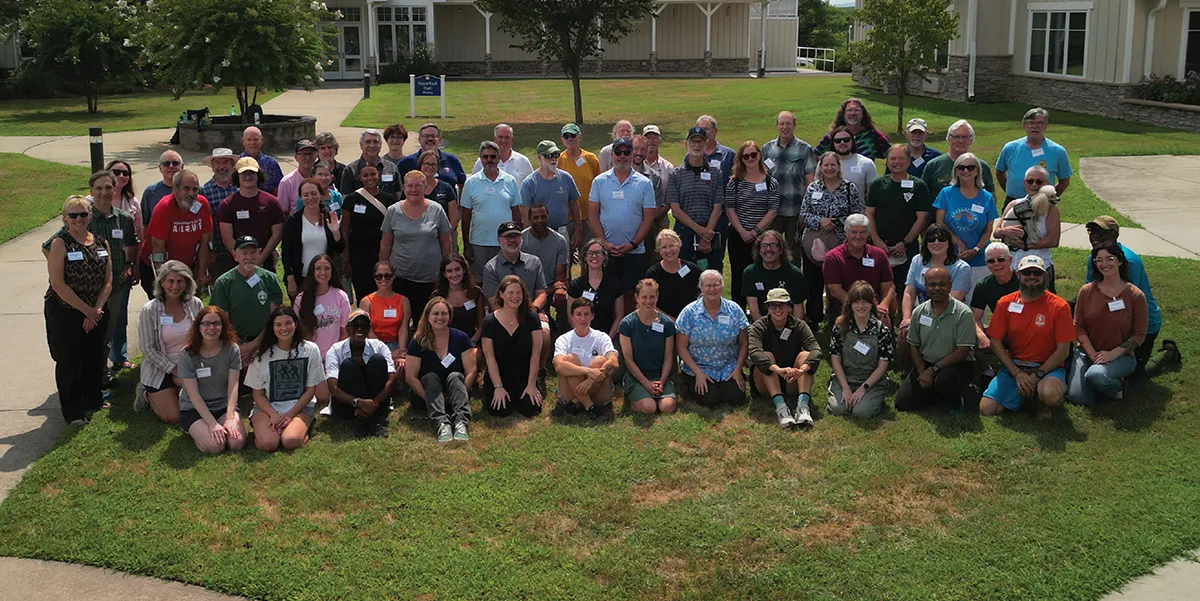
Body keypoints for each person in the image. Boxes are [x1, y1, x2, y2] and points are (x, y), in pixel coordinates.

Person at [43, 172, 140, 376]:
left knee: (107, 332)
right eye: (99, 188)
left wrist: (129, 264)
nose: (104, 192)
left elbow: (131, 244)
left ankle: (100, 375)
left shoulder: (124, 219)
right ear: (92, 191)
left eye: (108, 187)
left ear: (115, 189)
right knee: (84, 339)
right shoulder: (82, 217)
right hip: (83, 293)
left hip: (112, 288)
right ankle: (94, 377)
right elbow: (48, 247)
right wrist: (67, 270)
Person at [44, 196, 113, 426]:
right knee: (69, 361)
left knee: (94, 356)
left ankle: (93, 399)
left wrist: (97, 310)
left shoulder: (102, 243)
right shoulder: (59, 243)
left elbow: (108, 281)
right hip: (65, 311)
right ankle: (73, 412)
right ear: (65, 218)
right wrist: (86, 311)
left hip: (97, 310)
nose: (79, 219)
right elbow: (58, 284)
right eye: (73, 215)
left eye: (83, 214)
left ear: (90, 216)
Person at [979, 255, 1073, 419]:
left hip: (1047, 367)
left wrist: (1038, 375)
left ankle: (1041, 399)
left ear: (1045, 276)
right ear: (1018, 275)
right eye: (1026, 272)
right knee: (986, 409)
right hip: (1016, 366)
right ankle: (1026, 393)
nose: (1031, 277)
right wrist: (1017, 373)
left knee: (1050, 394)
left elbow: (1064, 350)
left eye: (1037, 273)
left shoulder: (1060, 306)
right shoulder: (1005, 303)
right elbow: (994, 341)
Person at [1084, 216, 1170, 377]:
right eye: (1091, 231)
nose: (1094, 236)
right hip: (1112, 320)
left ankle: (1167, 354)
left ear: (1115, 235)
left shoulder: (1130, 262)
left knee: (1135, 376)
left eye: (1100, 232)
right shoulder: (1094, 258)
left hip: (1143, 324)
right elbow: (1089, 294)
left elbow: (1129, 305)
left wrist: (1117, 349)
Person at [1068, 243, 1149, 405]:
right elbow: (1078, 326)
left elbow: (1140, 334)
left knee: (1095, 375)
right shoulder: (1086, 291)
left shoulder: (1135, 295)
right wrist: (1092, 355)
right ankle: (1098, 383)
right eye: (1099, 260)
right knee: (1077, 397)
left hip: (1121, 356)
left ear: (1119, 261)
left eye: (1110, 259)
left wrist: (1113, 354)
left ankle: (1117, 386)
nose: (1104, 265)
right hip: (1087, 353)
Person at [588, 135, 657, 310]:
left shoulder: (644, 183)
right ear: (612, 155)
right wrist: (604, 244)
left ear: (633, 154)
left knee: (632, 296)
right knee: (606, 295)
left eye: (627, 152)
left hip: (635, 251)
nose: (622, 156)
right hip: (606, 252)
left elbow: (648, 218)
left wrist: (633, 244)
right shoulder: (599, 181)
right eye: (618, 152)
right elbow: (593, 215)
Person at [895, 268, 976, 413]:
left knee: (945, 379)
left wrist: (932, 371)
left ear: (950, 286)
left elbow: (962, 351)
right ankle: (939, 393)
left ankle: (956, 403)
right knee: (903, 403)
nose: (937, 288)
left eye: (942, 284)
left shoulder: (963, 313)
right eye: (932, 285)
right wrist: (921, 372)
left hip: (957, 365)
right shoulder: (919, 312)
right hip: (927, 363)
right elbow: (913, 345)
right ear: (925, 287)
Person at [798, 151, 865, 325]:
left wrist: (837, 222)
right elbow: (803, 214)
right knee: (813, 281)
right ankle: (813, 317)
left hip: (841, 243)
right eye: (825, 165)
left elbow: (858, 214)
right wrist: (820, 221)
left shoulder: (849, 188)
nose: (829, 168)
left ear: (838, 167)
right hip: (813, 242)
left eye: (832, 165)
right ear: (820, 167)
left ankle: (837, 318)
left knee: (837, 280)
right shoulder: (813, 187)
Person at [245, 306, 325, 451]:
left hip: (299, 407)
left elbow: (310, 391)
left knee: (290, 441)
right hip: (267, 408)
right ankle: (265, 433)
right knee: (269, 444)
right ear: (272, 328)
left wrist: (290, 415)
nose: (284, 328)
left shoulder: (311, 350)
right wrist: (273, 414)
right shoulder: (260, 355)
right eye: (278, 324)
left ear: (295, 323)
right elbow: (257, 394)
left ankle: (300, 429)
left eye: (288, 323)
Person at [134, 259, 202, 423]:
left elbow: (203, 337)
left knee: (205, 403)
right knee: (174, 417)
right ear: (162, 282)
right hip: (161, 368)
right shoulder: (150, 310)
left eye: (180, 281)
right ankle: (146, 393)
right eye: (170, 281)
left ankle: (181, 389)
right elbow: (148, 349)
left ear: (187, 283)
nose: (175, 286)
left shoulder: (195, 304)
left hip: (190, 364)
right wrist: (173, 369)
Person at [380, 170, 451, 324]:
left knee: (426, 321)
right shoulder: (393, 211)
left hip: (430, 278)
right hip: (400, 277)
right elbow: (386, 244)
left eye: (418, 186)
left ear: (425, 187)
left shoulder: (437, 209)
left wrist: (445, 271)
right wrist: (384, 271)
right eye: (410, 186)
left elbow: (446, 243)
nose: (414, 190)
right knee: (399, 321)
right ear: (404, 188)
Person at [176, 306, 247, 453]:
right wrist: (212, 424)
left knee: (236, 443)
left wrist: (229, 417)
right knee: (215, 446)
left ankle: (216, 426)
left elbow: (233, 386)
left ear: (223, 326)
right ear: (199, 327)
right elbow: (194, 395)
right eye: (206, 323)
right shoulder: (187, 354)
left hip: (223, 405)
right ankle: (195, 431)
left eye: (216, 323)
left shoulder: (232, 349)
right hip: (194, 408)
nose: (211, 328)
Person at [748, 288, 821, 428]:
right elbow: (754, 352)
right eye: (773, 305)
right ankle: (781, 409)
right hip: (765, 381)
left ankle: (803, 407)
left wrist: (801, 370)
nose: (777, 309)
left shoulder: (800, 325)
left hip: (791, 379)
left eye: (781, 305)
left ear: (789, 307)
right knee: (766, 355)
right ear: (768, 308)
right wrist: (778, 370)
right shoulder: (759, 326)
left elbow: (816, 350)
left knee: (805, 355)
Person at [675, 269, 749, 408]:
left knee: (735, 398)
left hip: (728, 366)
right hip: (700, 366)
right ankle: (691, 382)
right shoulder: (689, 312)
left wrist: (738, 369)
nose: (712, 289)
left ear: (722, 286)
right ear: (701, 288)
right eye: (708, 286)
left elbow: (744, 342)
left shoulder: (734, 310)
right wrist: (698, 373)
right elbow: (681, 347)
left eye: (716, 285)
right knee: (709, 400)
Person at [406, 297, 476, 441]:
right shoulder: (417, 341)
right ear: (428, 316)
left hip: (456, 392)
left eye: (444, 313)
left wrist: (461, 393)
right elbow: (410, 377)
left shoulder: (461, 338)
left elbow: (471, 371)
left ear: (450, 316)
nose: (440, 318)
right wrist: (430, 399)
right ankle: (441, 423)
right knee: (430, 376)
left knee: (455, 375)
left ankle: (461, 422)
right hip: (428, 394)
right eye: (436, 314)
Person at [209, 236, 284, 366]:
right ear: (235, 255)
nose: (249, 257)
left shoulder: (270, 279)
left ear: (259, 252)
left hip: (264, 342)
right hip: (233, 344)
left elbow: (274, 317)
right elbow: (222, 319)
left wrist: (255, 344)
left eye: (253, 252)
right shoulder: (224, 282)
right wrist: (239, 346)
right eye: (244, 253)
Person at [934, 152, 999, 298]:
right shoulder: (946, 193)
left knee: (975, 304)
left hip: (979, 258)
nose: (965, 171)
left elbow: (989, 229)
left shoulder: (986, 197)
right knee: (948, 301)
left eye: (970, 167)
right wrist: (957, 242)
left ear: (977, 171)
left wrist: (975, 250)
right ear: (955, 171)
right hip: (950, 256)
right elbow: (940, 223)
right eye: (961, 167)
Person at [867, 145, 933, 287]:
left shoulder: (918, 185)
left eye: (901, 158)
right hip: (879, 247)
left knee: (905, 290)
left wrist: (905, 243)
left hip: (907, 248)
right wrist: (877, 240)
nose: (897, 162)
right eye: (893, 158)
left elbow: (922, 217)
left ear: (909, 161)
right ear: (887, 161)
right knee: (878, 288)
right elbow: (869, 213)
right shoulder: (878, 185)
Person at [480, 275, 546, 418]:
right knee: (500, 411)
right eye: (510, 293)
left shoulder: (532, 318)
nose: (515, 297)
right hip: (500, 375)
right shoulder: (489, 322)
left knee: (531, 408)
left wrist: (531, 385)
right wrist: (498, 387)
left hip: (525, 374)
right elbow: (490, 358)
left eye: (518, 293)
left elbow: (536, 354)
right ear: (501, 294)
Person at [325, 309, 397, 439]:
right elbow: (333, 387)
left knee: (377, 360)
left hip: (377, 403)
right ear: (347, 328)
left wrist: (373, 402)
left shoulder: (379, 346)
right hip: (348, 405)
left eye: (364, 326)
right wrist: (359, 402)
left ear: (369, 329)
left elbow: (391, 379)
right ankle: (371, 421)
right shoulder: (335, 350)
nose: (359, 329)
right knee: (348, 366)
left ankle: (367, 418)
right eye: (355, 325)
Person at [827, 281, 894, 419]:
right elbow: (835, 360)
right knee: (837, 409)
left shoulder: (882, 330)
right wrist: (845, 387)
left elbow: (882, 366)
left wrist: (864, 388)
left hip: (871, 381)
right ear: (850, 304)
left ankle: (873, 398)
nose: (861, 306)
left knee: (861, 412)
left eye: (865, 302)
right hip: (846, 378)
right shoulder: (840, 327)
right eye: (856, 302)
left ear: (872, 303)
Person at [139, 169, 213, 292]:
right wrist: (163, 280)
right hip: (159, 264)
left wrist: (201, 272)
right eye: (186, 188)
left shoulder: (202, 204)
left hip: (186, 266)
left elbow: (205, 242)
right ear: (175, 189)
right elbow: (158, 247)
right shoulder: (164, 207)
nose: (191, 193)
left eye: (195, 189)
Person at [726, 140, 780, 308]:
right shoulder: (734, 182)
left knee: (763, 273)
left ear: (760, 156)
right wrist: (742, 231)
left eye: (753, 155)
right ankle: (739, 311)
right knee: (739, 275)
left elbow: (773, 210)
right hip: (738, 235)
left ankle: (764, 311)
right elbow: (730, 209)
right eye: (746, 156)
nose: (750, 158)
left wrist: (757, 230)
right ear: (741, 159)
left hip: (763, 237)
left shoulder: (771, 183)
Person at [992, 165, 1062, 291]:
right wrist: (1004, 231)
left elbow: (1053, 241)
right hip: (1013, 267)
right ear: (1025, 183)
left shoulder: (1052, 209)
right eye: (1030, 181)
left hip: (1040, 268)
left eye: (1039, 182)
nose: (1034, 185)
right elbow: (996, 233)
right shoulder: (1014, 204)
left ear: (1046, 184)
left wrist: (1025, 246)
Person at [900, 224, 973, 345]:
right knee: (903, 337)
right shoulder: (917, 260)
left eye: (941, 239)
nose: (936, 242)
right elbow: (909, 292)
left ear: (949, 243)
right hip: (921, 314)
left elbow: (951, 300)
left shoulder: (961, 268)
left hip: (948, 316)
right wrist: (906, 318)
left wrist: (922, 321)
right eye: (931, 239)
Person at [101, 161, 143, 371]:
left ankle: (119, 355)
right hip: (97, 272)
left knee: (120, 314)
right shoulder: (90, 204)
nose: (121, 175)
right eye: (116, 172)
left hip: (122, 269)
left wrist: (133, 266)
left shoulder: (131, 202)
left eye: (125, 172)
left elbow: (137, 237)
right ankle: (98, 358)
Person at [293, 254, 351, 403]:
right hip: (311, 358)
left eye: (327, 268)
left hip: (334, 357)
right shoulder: (301, 299)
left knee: (326, 395)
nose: (323, 273)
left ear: (332, 272)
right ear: (312, 271)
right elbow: (298, 335)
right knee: (323, 396)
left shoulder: (341, 296)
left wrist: (335, 357)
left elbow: (345, 332)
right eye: (318, 268)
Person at [551, 299, 620, 422]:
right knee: (570, 359)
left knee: (600, 360)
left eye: (586, 314)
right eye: (578, 314)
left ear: (592, 316)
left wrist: (590, 381)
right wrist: (588, 372)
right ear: (571, 316)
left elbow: (614, 362)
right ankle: (590, 407)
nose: (582, 319)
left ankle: (576, 403)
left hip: (599, 393)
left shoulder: (601, 337)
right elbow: (559, 366)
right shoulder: (564, 339)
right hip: (569, 392)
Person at [461, 141, 522, 277]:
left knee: (507, 281)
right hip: (479, 243)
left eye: (493, 157)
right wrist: (466, 245)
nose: (489, 160)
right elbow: (465, 216)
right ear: (480, 158)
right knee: (480, 282)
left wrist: (518, 238)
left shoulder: (510, 181)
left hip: (506, 241)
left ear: (499, 158)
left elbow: (516, 212)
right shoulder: (471, 182)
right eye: (485, 157)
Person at [619, 279, 679, 415]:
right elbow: (628, 359)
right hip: (637, 376)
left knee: (667, 407)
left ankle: (657, 392)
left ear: (657, 297)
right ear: (637, 298)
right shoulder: (627, 324)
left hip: (659, 375)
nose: (648, 301)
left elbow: (669, 356)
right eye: (644, 297)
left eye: (652, 297)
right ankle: (635, 395)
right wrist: (646, 384)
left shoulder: (667, 324)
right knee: (649, 408)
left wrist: (662, 381)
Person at [669, 126, 726, 272]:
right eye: (693, 141)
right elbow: (675, 210)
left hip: (710, 230)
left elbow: (718, 207)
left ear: (706, 143)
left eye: (700, 141)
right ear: (686, 144)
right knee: (685, 275)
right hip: (685, 232)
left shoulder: (715, 172)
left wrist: (707, 236)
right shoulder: (676, 174)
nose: (696, 145)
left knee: (712, 275)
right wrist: (700, 231)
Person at [340, 163, 398, 302]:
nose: (369, 178)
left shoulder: (389, 200)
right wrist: (346, 258)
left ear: (378, 175)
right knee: (362, 292)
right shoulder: (351, 200)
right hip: (358, 255)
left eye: (373, 174)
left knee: (382, 290)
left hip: (381, 253)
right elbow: (345, 230)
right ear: (360, 177)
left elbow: (394, 230)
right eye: (365, 175)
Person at [822, 214, 896, 322]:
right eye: (854, 232)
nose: (858, 236)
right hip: (846, 306)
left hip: (874, 304)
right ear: (846, 233)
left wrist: (883, 306)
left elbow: (889, 286)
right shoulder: (833, 257)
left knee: (891, 304)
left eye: (862, 232)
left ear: (868, 234)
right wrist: (861, 307)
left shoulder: (879, 255)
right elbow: (835, 291)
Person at [763, 111, 817, 255]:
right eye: (782, 123)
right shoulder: (767, 149)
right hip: (773, 211)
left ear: (794, 126)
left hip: (796, 210)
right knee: (772, 249)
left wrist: (807, 210)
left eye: (788, 124)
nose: (785, 127)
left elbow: (810, 182)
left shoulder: (805, 149)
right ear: (776, 126)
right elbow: (762, 178)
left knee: (794, 251)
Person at [216, 157, 284, 271]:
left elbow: (277, 234)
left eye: (252, 172)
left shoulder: (272, 202)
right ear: (237, 176)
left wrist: (259, 260)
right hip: (237, 267)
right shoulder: (227, 205)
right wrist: (244, 260)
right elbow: (227, 238)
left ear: (259, 175)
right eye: (244, 173)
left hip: (265, 264)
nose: (248, 176)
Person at [282, 178, 344, 297]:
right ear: (301, 197)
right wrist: (290, 279)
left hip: (324, 278)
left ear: (321, 195)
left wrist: (336, 232)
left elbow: (339, 248)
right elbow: (286, 253)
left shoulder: (330, 218)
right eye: (305, 195)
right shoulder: (293, 221)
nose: (310, 198)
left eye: (314, 194)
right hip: (300, 278)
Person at [996, 107, 1072, 204]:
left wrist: (1049, 196)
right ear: (1025, 126)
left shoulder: (1058, 151)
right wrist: (1009, 191)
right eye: (1031, 123)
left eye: (1039, 123)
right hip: (1013, 202)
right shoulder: (1010, 148)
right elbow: (999, 172)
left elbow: (1064, 181)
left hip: (1044, 204)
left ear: (1045, 126)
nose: (1035, 126)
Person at [969, 243, 1020, 371]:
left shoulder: (1024, 280)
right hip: (1001, 333)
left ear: (1010, 260)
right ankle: (989, 374)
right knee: (970, 345)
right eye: (991, 261)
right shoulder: (983, 285)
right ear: (986, 263)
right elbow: (975, 318)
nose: (996, 264)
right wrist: (982, 337)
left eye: (1001, 259)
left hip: (1026, 331)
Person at [521, 140, 582, 243]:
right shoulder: (529, 183)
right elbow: (526, 215)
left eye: (556, 155)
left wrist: (578, 229)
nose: (553, 158)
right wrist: (531, 239)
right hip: (539, 234)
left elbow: (574, 205)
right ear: (540, 158)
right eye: (549, 156)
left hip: (562, 232)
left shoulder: (566, 178)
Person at [483, 222, 548, 318]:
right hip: (503, 316)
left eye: (516, 236)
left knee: (545, 331)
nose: (512, 240)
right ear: (499, 240)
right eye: (508, 237)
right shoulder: (491, 268)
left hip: (532, 312)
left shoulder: (534, 262)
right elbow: (494, 302)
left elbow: (541, 294)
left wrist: (532, 312)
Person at [738, 229, 804, 322]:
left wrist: (795, 331)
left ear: (781, 250)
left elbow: (798, 307)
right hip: (762, 324)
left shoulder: (795, 273)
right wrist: (763, 331)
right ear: (759, 250)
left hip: (789, 323)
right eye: (764, 245)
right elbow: (753, 309)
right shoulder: (750, 272)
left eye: (773, 245)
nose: (768, 249)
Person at [521, 203, 570, 327]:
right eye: (535, 217)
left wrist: (558, 288)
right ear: (529, 219)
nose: (540, 221)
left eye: (543, 217)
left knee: (564, 297)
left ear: (548, 217)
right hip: (527, 288)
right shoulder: (521, 239)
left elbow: (560, 274)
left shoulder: (559, 241)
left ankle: (561, 330)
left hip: (551, 287)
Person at [556, 123, 601, 258]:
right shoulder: (559, 159)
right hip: (566, 217)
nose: (570, 139)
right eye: (566, 136)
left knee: (589, 255)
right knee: (565, 257)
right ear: (562, 140)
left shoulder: (590, 158)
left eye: (573, 135)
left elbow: (599, 185)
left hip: (588, 216)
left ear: (579, 137)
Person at [359, 261, 412, 372]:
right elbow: (368, 331)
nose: (383, 280)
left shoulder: (403, 301)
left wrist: (401, 352)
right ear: (374, 278)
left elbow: (403, 328)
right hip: (373, 345)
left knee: (401, 366)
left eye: (387, 276)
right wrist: (386, 351)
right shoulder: (366, 302)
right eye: (379, 276)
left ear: (393, 276)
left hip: (396, 344)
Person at [922, 120, 996, 198]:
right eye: (956, 137)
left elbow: (991, 196)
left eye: (965, 137)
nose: (960, 141)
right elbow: (922, 196)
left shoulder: (982, 166)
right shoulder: (934, 165)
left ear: (971, 140)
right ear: (948, 139)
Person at [568, 239, 623, 341]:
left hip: (608, 337)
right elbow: (571, 316)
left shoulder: (615, 284)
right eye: (590, 253)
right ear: (584, 257)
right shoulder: (576, 285)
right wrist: (583, 337)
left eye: (598, 253)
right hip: (581, 338)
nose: (594, 256)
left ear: (604, 257)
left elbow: (619, 316)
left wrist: (607, 339)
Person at [437, 255, 486, 369]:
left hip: (470, 341)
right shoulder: (438, 296)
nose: (454, 274)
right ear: (444, 274)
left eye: (457, 269)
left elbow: (481, 324)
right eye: (449, 271)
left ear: (464, 270)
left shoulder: (475, 292)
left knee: (474, 357)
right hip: (445, 343)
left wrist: (472, 342)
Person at [631, 134, 671, 262]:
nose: (639, 153)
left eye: (642, 149)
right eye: (635, 149)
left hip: (647, 232)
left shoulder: (654, 177)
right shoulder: (619, 174)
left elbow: (656, 209)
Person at [200, 148, 240, 274]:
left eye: (225, 162)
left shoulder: (240, 188)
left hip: (240, 249)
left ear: (233, 166)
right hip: (216, 251)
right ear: (212, 167)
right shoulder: (204, 191)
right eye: (217, 163)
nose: (221, 167)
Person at [644, 229, 700, 319]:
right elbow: (648, 304)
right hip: (663, 322)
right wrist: (672, 321)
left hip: (691, 321)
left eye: (672, 246)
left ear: (679, 245)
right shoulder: (653, 274)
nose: (668, 250)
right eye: (664, 247)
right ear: (658, 250)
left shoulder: (693, 270)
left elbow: (703, 297)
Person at [396, 123, 467, 190]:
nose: (430, 139)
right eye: (426, 136)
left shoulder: (451, 160)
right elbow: (397, 188)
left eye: (433, 136)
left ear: (439, 139)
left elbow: (462, 185)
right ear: (419, 139)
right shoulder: (407, 162)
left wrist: (460, 202)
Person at [814, 98, 890, 159]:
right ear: (843, 114)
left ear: (863, 114)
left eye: (857, 110)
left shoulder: (873, 135)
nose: (853, 113)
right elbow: (814, 155)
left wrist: (888, 176)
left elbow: (892, 154)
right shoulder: (833, 136)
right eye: (849, 110)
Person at [341, 129, 401, 197]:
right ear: (361, 145)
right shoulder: (350, 170)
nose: (372, 145)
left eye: (375, 142)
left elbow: (398, 196)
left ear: (380, 145)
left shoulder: (391, 168)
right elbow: (346, 200)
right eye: (368, 142)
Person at [418, 149, 460, 240]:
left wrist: (445, 236)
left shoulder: (446, 188)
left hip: (445, 237)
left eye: (433, 164)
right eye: (426, 163)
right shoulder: (413, 188)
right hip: (418, 239)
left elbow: (453, 218)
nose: (430, 167)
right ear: (420, 165)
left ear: (437, 167)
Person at [829, 126, 878, 201]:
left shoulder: (866, 163)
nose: (842, 143)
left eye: (846, 140)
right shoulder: (825, 164)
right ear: (833, 144)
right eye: (838, 141)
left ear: (852, 142)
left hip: (857, 211)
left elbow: (872, 195)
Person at [139, 150, 183, 229]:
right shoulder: (150, 192)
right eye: (166, 164)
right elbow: (145, 223)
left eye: (175, 163)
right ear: (160, 168)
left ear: (182, 166)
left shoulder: (194, 190)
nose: (171, 166)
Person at [275, 139, 319, 215]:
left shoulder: (321, 178)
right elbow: (282, 212)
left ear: (316, 156)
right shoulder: (287, 182)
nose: (307, 158)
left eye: (310, 154)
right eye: (304, 154)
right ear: (296, 157)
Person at [238, 126, 283, 195]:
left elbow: (278, 189)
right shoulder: (236, 163)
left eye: (255, 139)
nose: (252, 143)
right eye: (249, 140)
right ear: (243, 141)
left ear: (262, 141)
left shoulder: (272, 164)